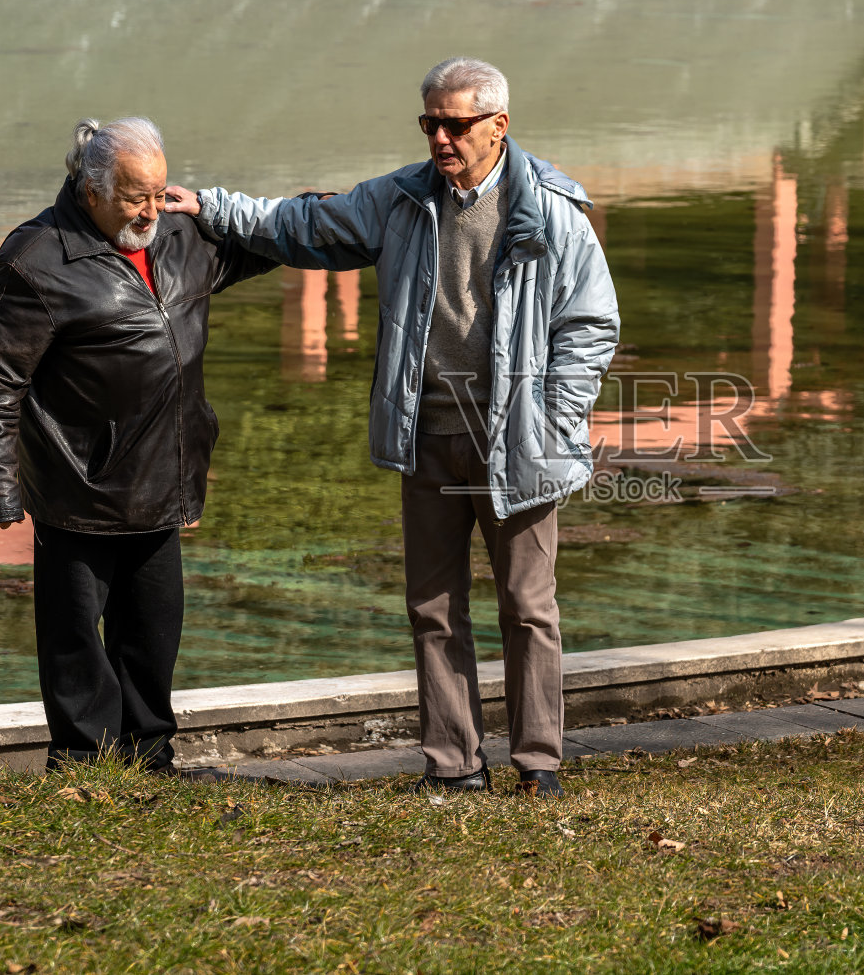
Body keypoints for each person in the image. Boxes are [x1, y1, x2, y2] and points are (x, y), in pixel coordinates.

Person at [164, 57, 619, 797]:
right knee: (433, 608)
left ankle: (539, 764)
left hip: (518, 442)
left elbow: (591, 324)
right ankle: (454, 766)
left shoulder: (552, 210)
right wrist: (209, 206)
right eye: (429, 122)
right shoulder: (401, 199)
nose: (440, 137)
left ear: (499, 126)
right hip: (426, 436)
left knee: (528, 607)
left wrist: (554, 417)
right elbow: (304, 224)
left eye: (456, 124)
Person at [0, 117, 279, 773]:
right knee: (75, 637)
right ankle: (82, 761)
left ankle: (150, 757)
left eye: (160, 194)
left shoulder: (183, 237)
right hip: (79, 485)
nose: (151, 211)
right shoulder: (37, 258)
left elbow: (271, 241)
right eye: (136, 197)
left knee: (153, 630)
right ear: (92, 190)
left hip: (165, 476)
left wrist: (334, 217)